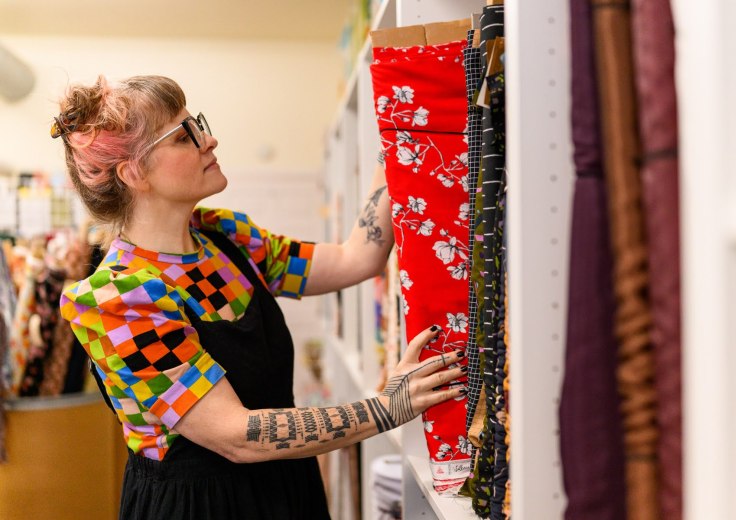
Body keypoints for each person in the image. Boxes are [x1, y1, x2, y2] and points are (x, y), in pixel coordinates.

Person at [53, 75, 465, 520]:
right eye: (184, 135)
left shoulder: (224, 237)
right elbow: (237, 435)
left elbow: (355, 258)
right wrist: (386, 408)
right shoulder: (117, 297)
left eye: (199, 124)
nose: (209, 140)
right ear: (133, 172)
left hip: (286, 486)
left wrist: (404, 132)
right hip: (203, 508)